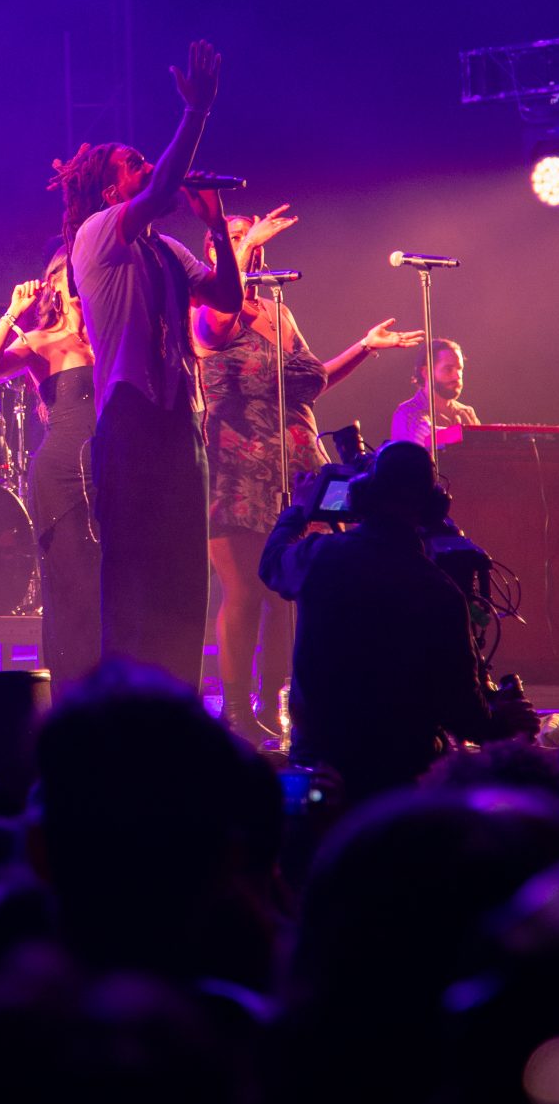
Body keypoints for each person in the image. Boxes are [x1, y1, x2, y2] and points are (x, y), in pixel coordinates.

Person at [50, 39, 243, 688]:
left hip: (177, 424)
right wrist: (197, 114)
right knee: (132, 577)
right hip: (129, 423)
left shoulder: (164, 251)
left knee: (184, 573)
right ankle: (124, 714)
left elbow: (227, 298)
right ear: (111, 186)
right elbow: (163, 187)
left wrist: (217, 229)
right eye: (136, 163)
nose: (150, 168)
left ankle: (181, 705)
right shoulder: (99, 233)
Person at [192, 207, 423, 741]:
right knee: (246, 592)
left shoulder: (278, 309)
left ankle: (278, 703)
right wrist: (243, 249)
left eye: (249, 233)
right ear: (212, 253)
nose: (251, 239)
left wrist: (365, 347)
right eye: (231, 235)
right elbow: (214, 331)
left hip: (298, 461)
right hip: (236, 463)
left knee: (290, 591)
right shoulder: (203, 307)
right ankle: (235, 713)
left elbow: (313, 383)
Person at [259, 440, 538, 800]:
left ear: (362, 495)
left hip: (319, 771)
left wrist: (298, 510)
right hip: (404, 780)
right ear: (434, 506)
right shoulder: (439, 591)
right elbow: (464, 713)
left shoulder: (320, 558)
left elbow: (271, 563)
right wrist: (505, 722)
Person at [0, 247, 100, 696]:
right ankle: (74, 699)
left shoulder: (106, 335)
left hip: (107, 469)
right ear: (56, 282)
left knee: (108, 586)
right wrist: (13, 313)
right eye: (75, 271)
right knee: (73, 586)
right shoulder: (43, 341)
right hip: (61, 475)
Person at [390, 337, 480, 447]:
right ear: (427, 372)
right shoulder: (407, 412)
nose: (457, 376)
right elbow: (428, 437)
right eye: (448, 369)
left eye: (460, 369)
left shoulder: (467, 413)